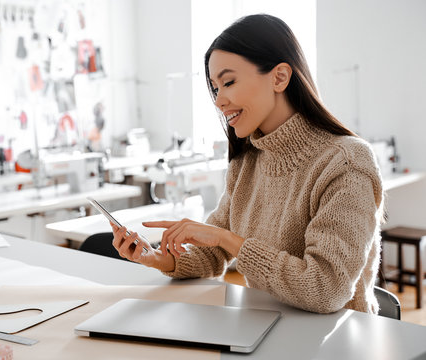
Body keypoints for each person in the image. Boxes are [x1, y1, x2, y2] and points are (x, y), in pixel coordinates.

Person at [110, 14, 384, 314]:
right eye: (215, 88)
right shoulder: (248, 161)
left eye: (228, 82)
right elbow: (211, 254)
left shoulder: (346, 162)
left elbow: (325, 289)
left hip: (338, 341)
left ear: (279, 77)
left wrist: (228, 239)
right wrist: (156, 257)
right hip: (267, 328)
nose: (219, 101)